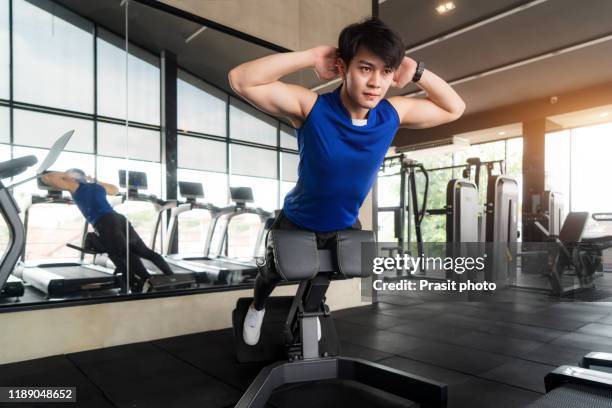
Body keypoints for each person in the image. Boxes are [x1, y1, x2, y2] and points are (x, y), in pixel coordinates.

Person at [229, 17, 466, 346]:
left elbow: (455, 108)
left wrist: (418, 72)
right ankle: (257, 308)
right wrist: (311, 57)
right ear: (342, 68)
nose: (376, 83)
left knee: (324, 276)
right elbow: (241, 80)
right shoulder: (311, 107)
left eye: (385, 72)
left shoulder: (391, 114)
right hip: (297, 219)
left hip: (343, 223)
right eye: (366, 68)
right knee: (271, 275)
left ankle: (304, 316)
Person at [41, 169, 174, 293]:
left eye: (67, 177)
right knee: (143, 252)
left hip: (106, 222)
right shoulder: (97, 187)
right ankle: (171, 278)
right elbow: (115, 190)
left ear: (72, 178)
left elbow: (46, 177)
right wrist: (93, 180)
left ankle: (144, 282)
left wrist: (67, 175)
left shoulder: (75, 186)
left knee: (120, 255)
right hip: (119, 219)